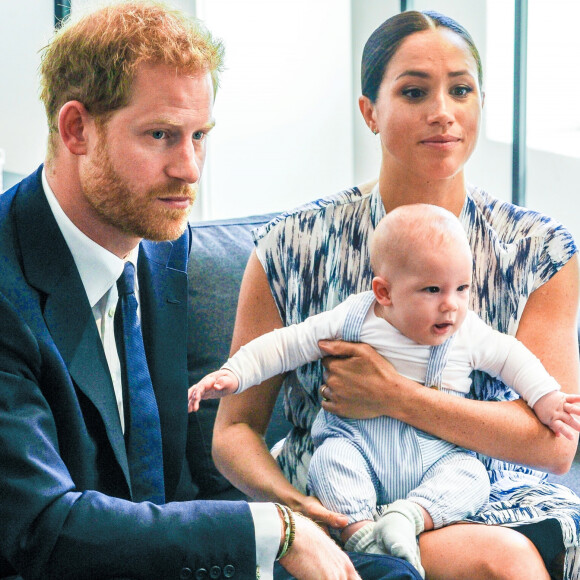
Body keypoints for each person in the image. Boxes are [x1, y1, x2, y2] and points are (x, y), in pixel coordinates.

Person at [0, 3, 425, 579]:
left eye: (200, 135)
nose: (191, 168)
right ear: (76, 129)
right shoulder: (7, 288)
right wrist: (273, 529)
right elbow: (40, 528)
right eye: (161, 135)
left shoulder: (159, 245)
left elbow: (165, 486)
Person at [212, 9, 580, 580]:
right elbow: (234, 431)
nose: (443, 112)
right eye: (414, 92)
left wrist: (395, 395)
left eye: (461, 90)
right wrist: (297, 511)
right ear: (370, 112)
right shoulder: (291, 246)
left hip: (481, 488)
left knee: (509, 556)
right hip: (337, 487)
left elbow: (553, 445)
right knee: (503, 563)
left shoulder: (539, 251)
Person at [190, 204, 580, 577]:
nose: (451, 306)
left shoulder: (468, 333)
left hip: (435, 454)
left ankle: (408, 516)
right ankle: (360, 533)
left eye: (462, 288)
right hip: (358, 443)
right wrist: (234, 373)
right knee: (331, 462)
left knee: (470, 473)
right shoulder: (355, 318)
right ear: (384, 292)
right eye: (432, 290)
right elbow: (287, 343)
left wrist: (548, 400)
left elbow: (515, 360)